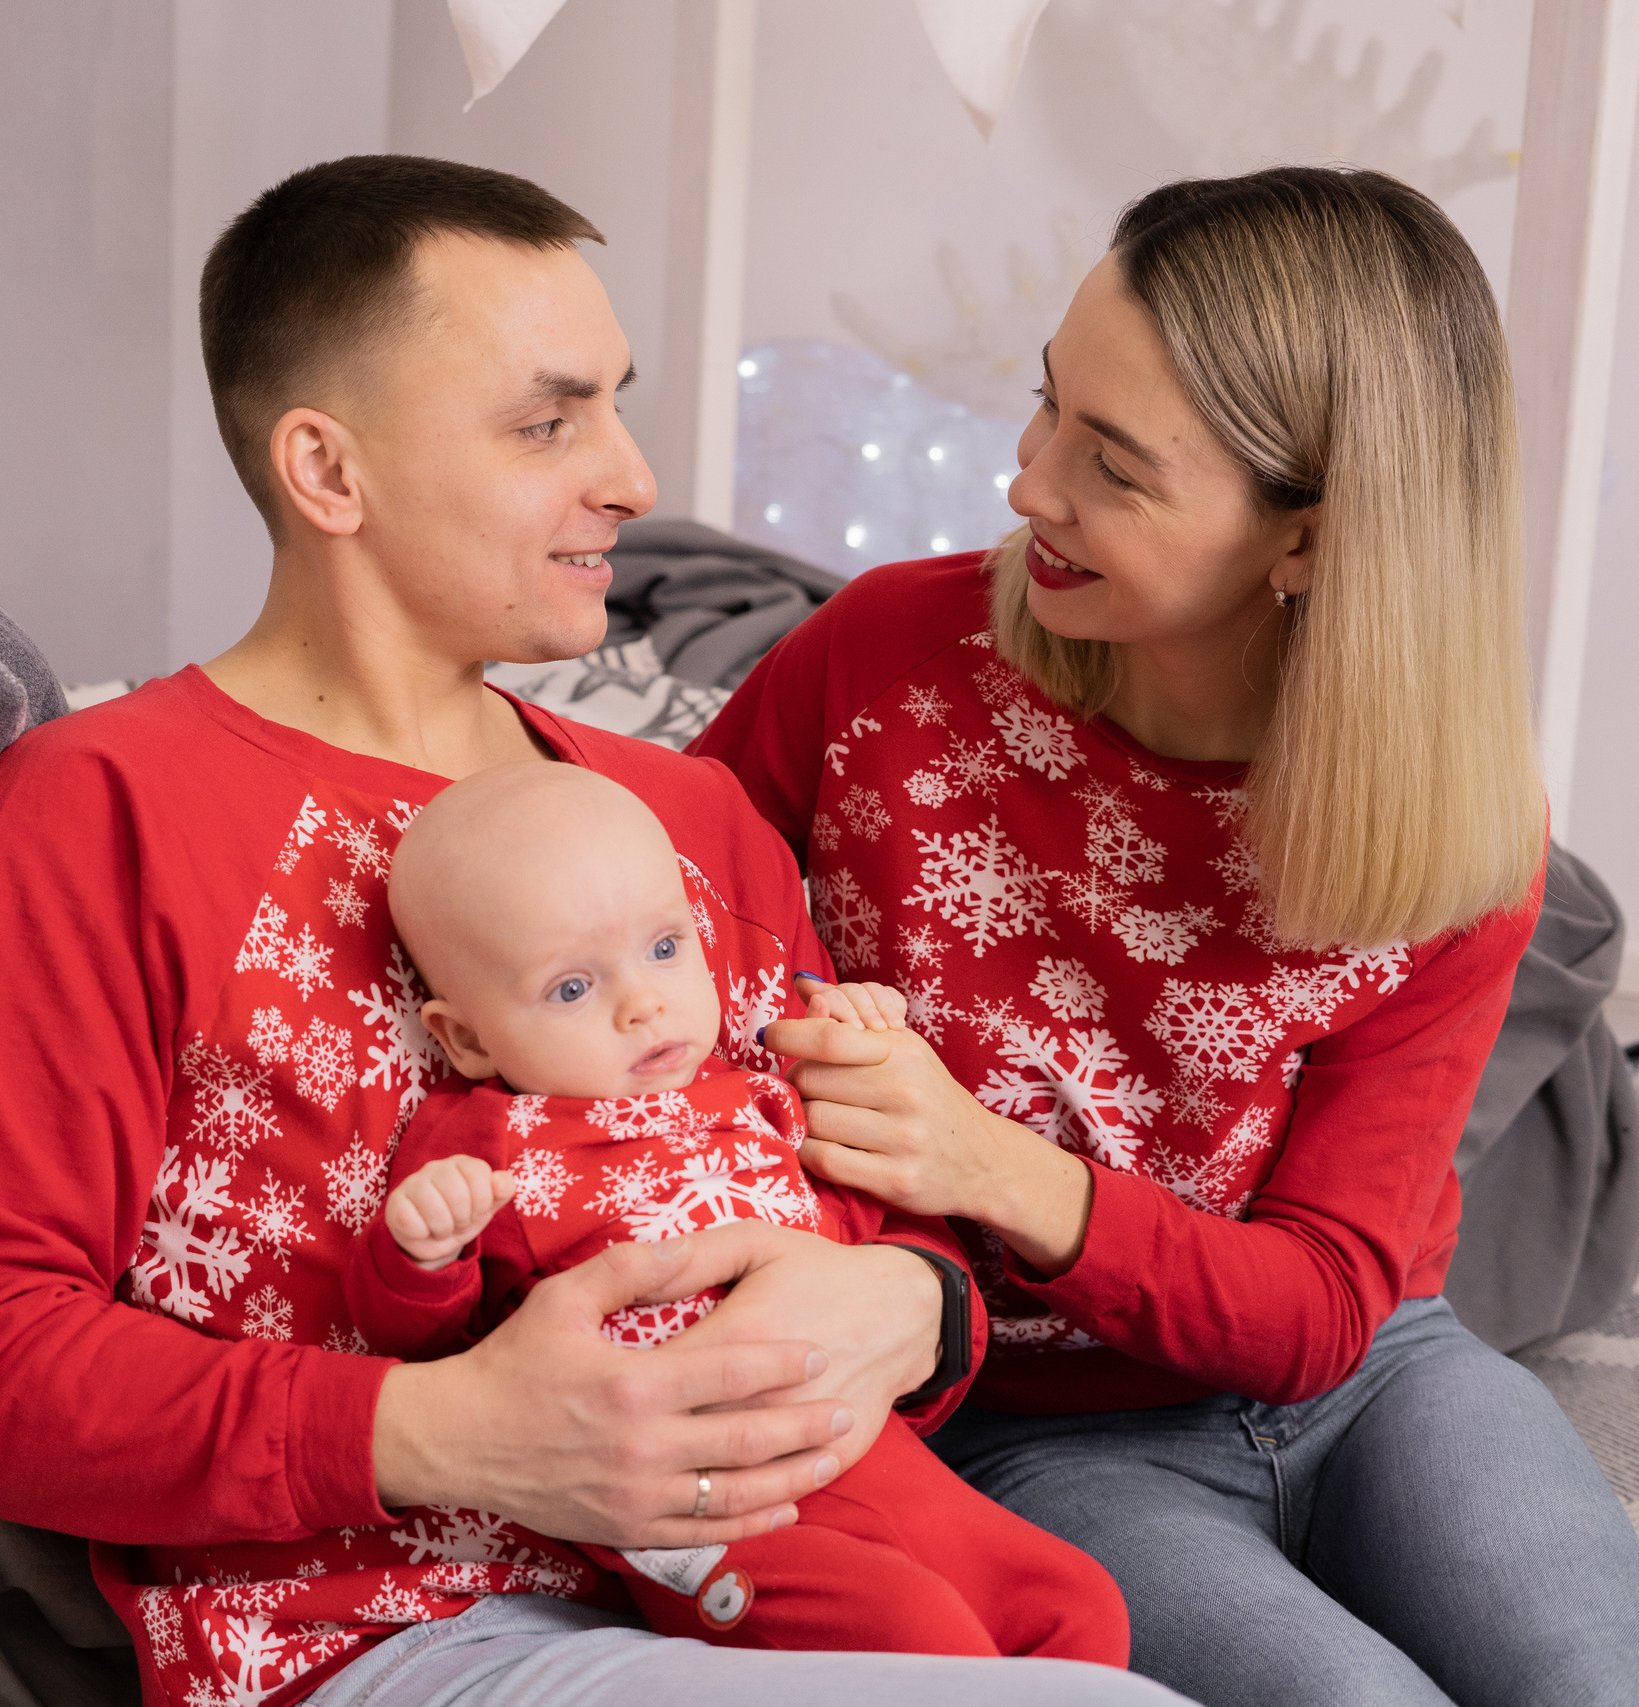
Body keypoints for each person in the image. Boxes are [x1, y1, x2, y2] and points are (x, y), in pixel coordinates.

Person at [0, 155, 1191, 1707]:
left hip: (812, 1565)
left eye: (615, 406)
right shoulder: (98, 812)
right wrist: (445, 1432)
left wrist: (913, 1307)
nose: (629, 474)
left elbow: (885, 1209)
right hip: (387, 1636)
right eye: (549, 422)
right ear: (329, 472)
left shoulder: (682, 821)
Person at [692, 165, 1639, 1707]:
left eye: (1112, 467)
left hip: (1372, 1371)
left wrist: (987, 1162)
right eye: (1048, 408)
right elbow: (661, 927)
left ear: (1312, 543)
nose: (1027, 488)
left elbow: (1329, 1302)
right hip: (1030, 1414)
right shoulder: (877, 666)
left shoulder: (1457, 828)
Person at [347, 760, 1129, 1664]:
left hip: (867, 1449)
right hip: (707, 1504)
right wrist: (422, 1256)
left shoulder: (755, 1092)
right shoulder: (491, 1143)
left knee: (1075, 1604)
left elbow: (864, 1215)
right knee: (918, 1642)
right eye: (572, 988)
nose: (644, 1003)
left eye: (666, 947)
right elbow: (425, 1345)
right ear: (468, 1037)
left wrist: (862, 1044)